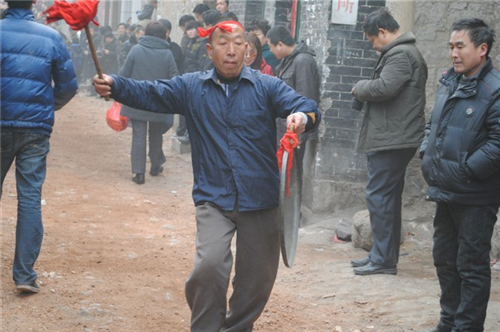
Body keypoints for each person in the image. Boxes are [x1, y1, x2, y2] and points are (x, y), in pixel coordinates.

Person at [93, 20, 320, 332]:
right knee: (209, 266)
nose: (231, 51)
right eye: (223, 44)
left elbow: (304, 105)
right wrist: (116, 85)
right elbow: (152, 92)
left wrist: (301, 117)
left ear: (248, 50)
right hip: (215, 197)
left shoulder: (267, 87)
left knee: (257, 281)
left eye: (238, 43)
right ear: (210, 51)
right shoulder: (191, 87)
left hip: (262, 197)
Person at [419, 18, 500, 332]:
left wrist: (467, 171)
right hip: (445, 190)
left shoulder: (494, 89)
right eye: (450, 46)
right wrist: (428, 152)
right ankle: (448, 321)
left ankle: (466, 327)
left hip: (476, 196)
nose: (453, 53)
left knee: (471, 266)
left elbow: (497, 142)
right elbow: (433, 125)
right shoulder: (448, 81)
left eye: (459, 46)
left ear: (481, 49)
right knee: (444, 261)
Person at [0, 0, 78, 294]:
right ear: (34, 3)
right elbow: (68, 86)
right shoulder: (51, 37)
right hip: (35, 129)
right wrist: (47, 107)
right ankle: (23, 274)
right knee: (30, 198)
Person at [349, 8, 428, 276]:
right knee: (387, 199)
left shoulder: (401, 54)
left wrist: (359, 87)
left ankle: (382, 260)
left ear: (383, 32)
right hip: (394, 136)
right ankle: (383, 256)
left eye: (372, 40)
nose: (373, 46)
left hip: (392, 138)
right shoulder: (403, 53)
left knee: (380, 197)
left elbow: (384, 88)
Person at [118, 21, 178, 185]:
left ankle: (138, 173)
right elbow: (174, 78)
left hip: (137, 98)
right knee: (156, 134)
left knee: (138, 135)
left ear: (146, 33)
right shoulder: (167, 54)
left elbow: (124, 74)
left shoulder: (136, 50)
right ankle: (156, 166)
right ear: (164, 35)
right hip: (159, 100)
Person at [267, 25, 320, 173]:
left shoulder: (303, 61)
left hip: (295, 131)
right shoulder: (286, 61)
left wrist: (300, 134)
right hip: (284, 129)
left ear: (280, 45)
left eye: (271, 47)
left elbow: (307, 97)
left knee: (291, 173)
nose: (270, 51)